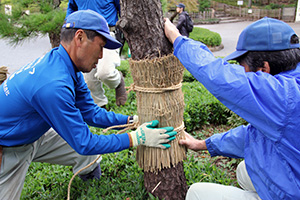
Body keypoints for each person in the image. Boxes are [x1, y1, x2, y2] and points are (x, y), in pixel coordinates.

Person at [0, 10, 178, 199]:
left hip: (35, 133)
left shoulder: (65, 64)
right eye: (100, 46)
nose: (101, 56)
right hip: (9, 146)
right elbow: (84, 143)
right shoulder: (53, 85)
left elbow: (91, 113)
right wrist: (136, 138)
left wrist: (131, 120)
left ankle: (91, 190)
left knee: (88, 154)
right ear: (80, 37)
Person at [164, 16, 300, 200]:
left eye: (242, 67)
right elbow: (254, 137)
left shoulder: (285, 96)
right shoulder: (291, 82)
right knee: (245, 170)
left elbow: (219, 76)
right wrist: (203, 145)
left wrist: (177, 39)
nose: (241, 72)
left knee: (196, 193)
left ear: (263, 69)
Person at [66, 0, 127, 109]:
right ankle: (101, 107)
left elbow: (123, 10)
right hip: (85, 35)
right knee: (89, 79)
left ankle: (118, 82)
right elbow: (71, 9)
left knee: (105, 73)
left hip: (108, 33)